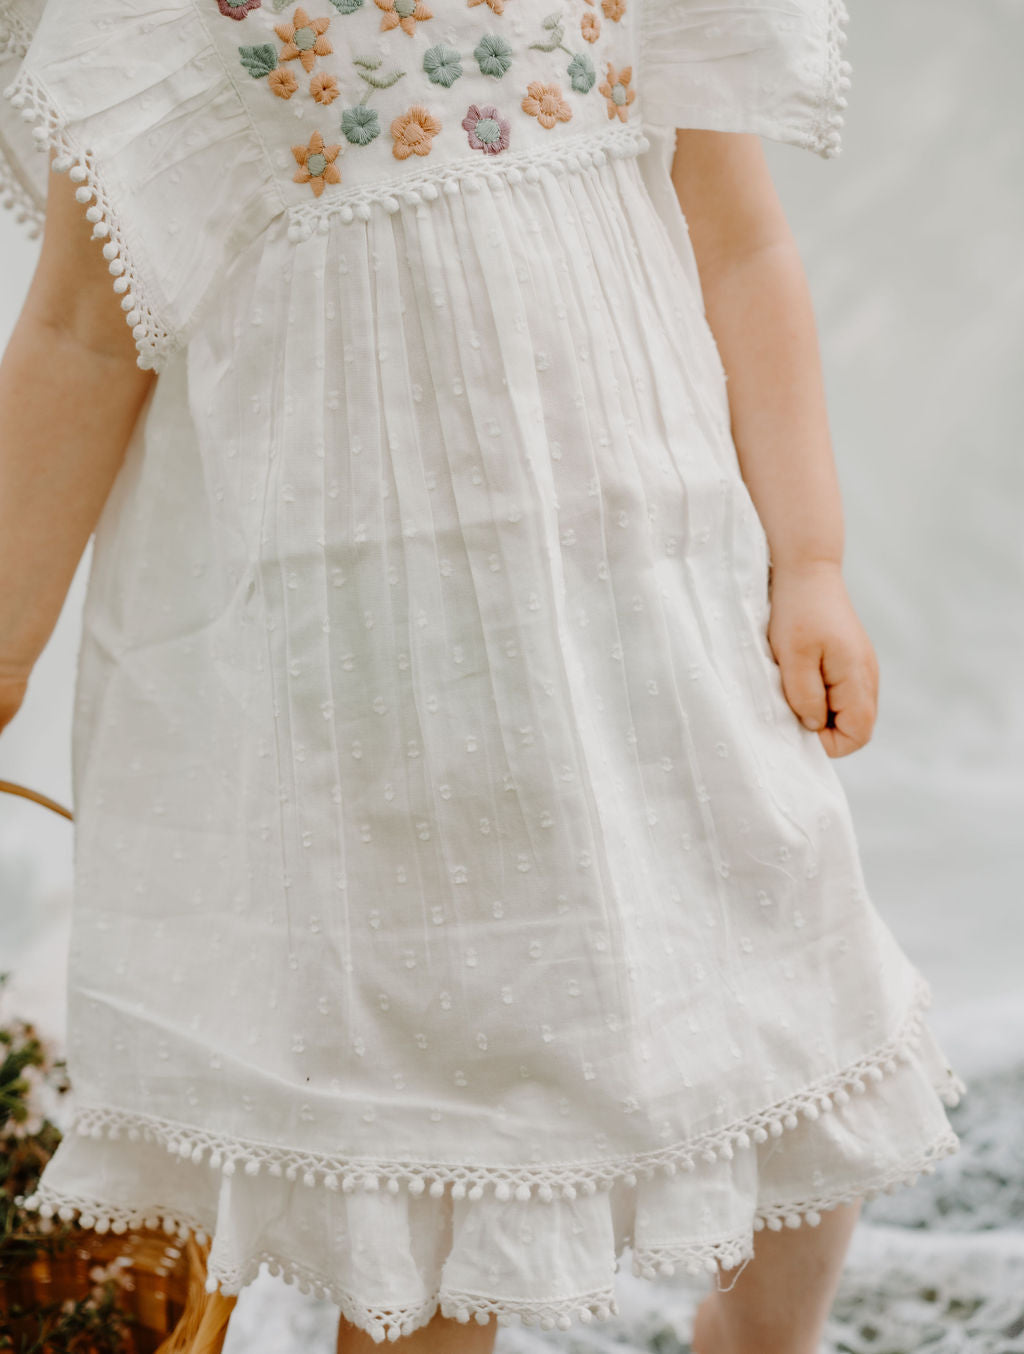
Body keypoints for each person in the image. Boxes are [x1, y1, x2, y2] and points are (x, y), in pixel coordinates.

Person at [0, 0, 966, 1350]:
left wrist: (810, 556)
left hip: (652, 603)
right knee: (441, 1134)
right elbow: (83, 332)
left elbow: (741, 246)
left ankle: (757, 1336)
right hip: (369, 677)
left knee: (799, 1011)